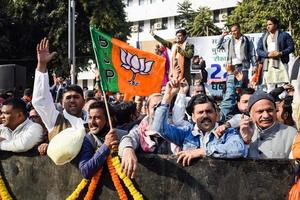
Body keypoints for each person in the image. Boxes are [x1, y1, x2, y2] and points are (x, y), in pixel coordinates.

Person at [150, 79, 247, 166]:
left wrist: (202, 152)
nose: (205, 116)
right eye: (200, 112)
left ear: (217, 114)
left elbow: (238, 149)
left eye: (209, 111)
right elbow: (159, 128)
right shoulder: (186, 133)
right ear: (193, 116)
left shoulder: (227, 133)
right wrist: (167, 96)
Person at [32, 38, 87, 142]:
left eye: (76, 97)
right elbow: (40, 100)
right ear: (61, 103)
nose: (72, 100)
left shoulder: (93, 121)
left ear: (84, 101)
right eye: (68, 98)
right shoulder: (54, 120)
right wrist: (42, 65)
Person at [119, 93, 172, 178]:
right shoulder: (140, 129)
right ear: (147, 110)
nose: (158, 110)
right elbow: (129, 139)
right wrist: (128, 149)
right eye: (154, 107)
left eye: (162, 106)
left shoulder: (177, 129)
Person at [76, 101, 127, 179]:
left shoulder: (123, 135)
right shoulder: (87, 139)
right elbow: (85, 171)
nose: (92, 122)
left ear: (109, 120)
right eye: (90, 117)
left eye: (97, 118)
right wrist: (106, 146)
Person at [239, 90, 297, 158]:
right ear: (251, 114)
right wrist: (246, 141)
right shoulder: (242, 133)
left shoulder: (292, 134)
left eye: (270, 110)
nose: (266, 115)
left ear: (275, 111)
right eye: (260, 111)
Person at [256, 17, 295, 92]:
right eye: (267, 24)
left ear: (276, 25)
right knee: (270, 86)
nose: (268, 26)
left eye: (270, 24)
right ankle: (272, 102)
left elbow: (291, 47)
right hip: (268, 64)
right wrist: (267, 54)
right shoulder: (264, 36)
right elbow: (258, 50)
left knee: (282, 86)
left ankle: (282, 102)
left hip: (281, 63)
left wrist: (280, 53)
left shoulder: (284, 35)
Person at [217, 23, 256, 88]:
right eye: (232, 31)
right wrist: (222, 36)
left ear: (239, 30)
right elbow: (218, 46)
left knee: (243, 88)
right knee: (231, 88)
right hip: (231, 68)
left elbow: (252, 53)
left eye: (235, 30)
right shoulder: (228, 41)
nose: (233, 33)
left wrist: (254, 65)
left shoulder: (247, 39)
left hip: (243, 67)